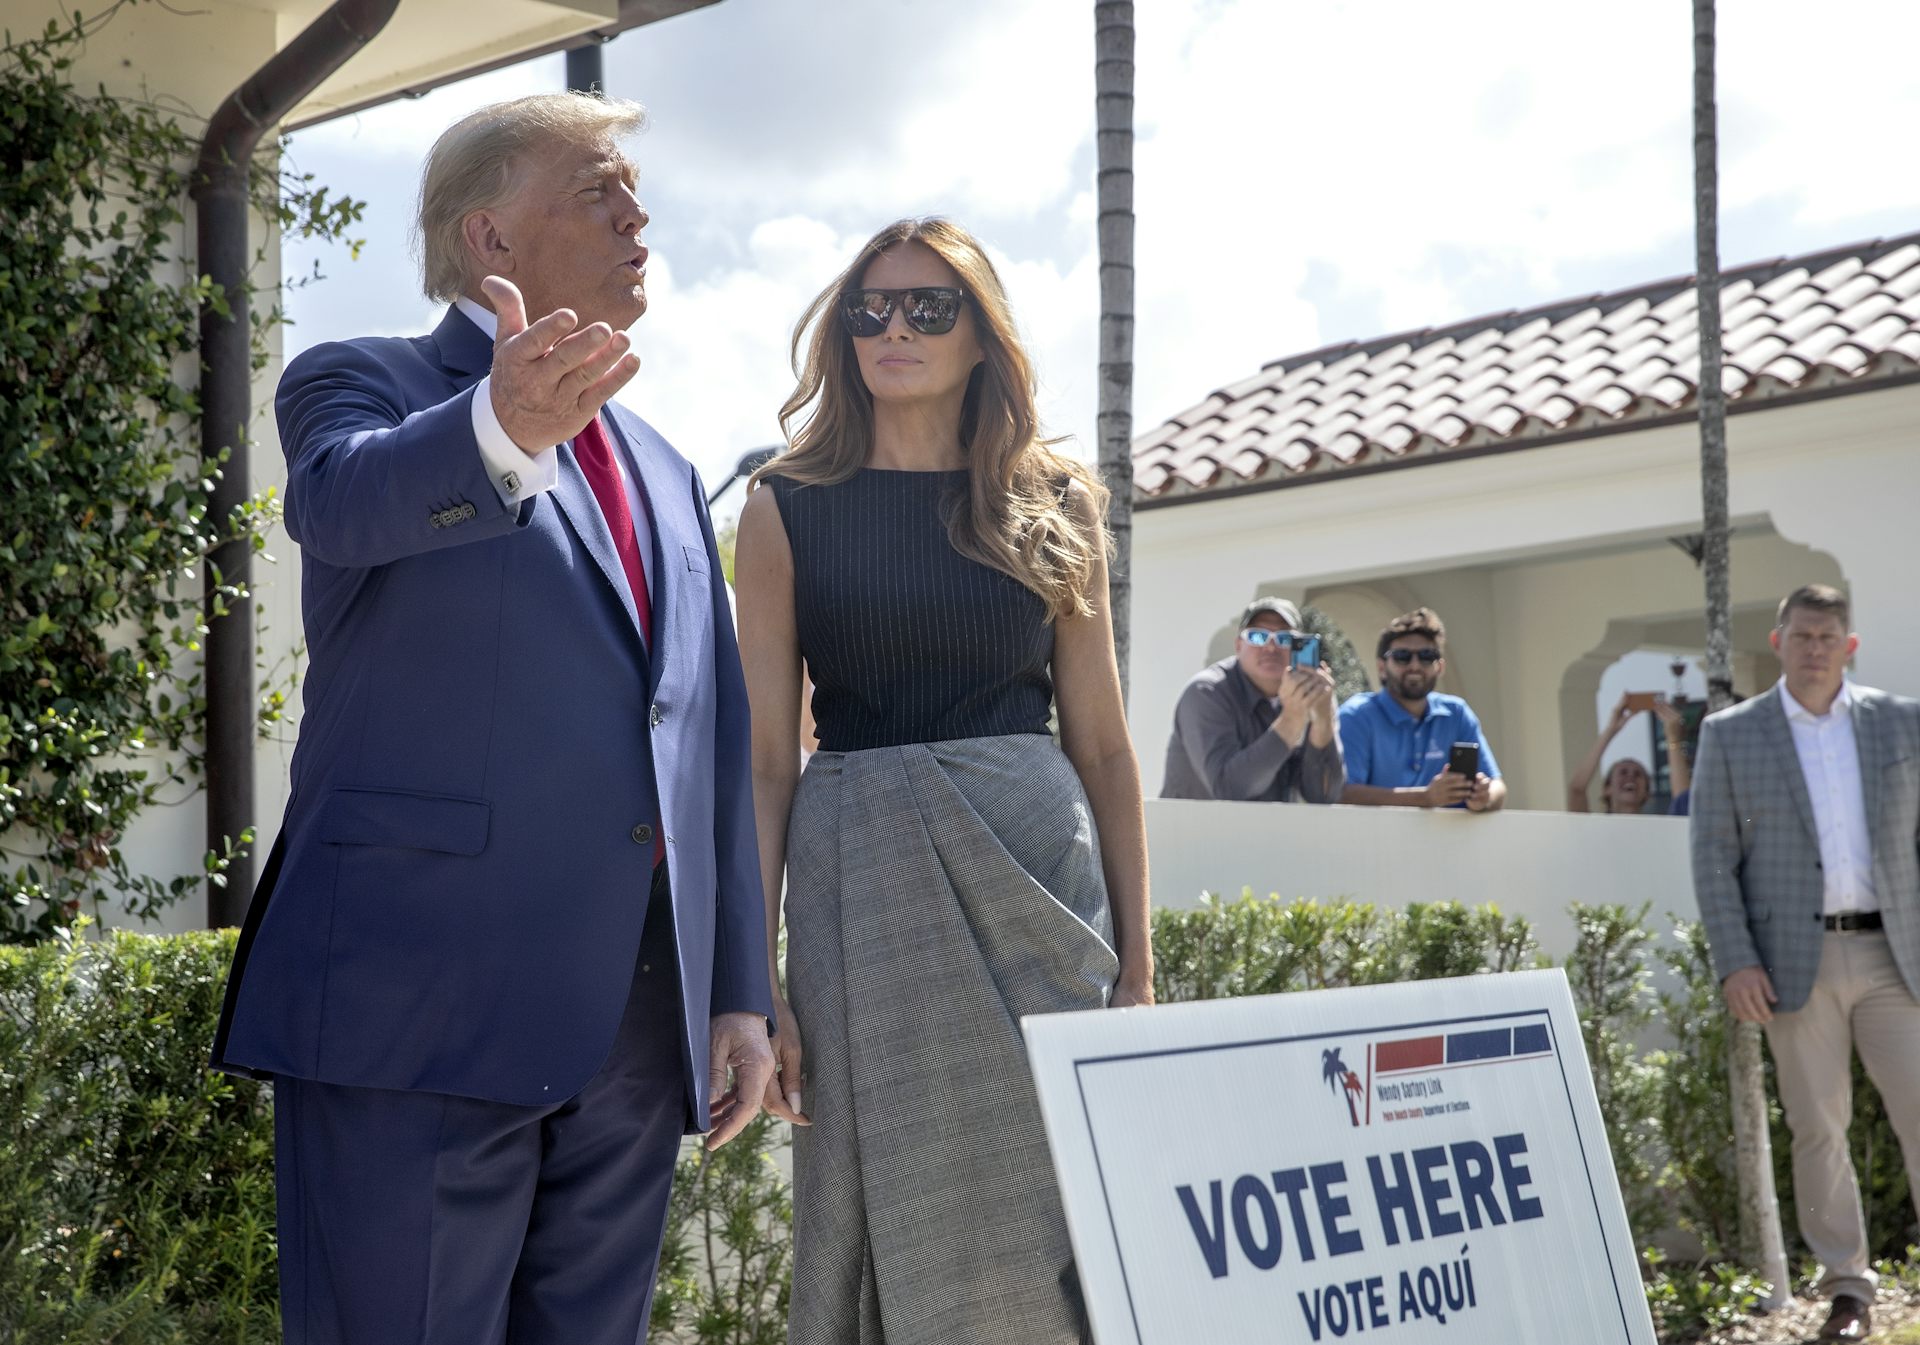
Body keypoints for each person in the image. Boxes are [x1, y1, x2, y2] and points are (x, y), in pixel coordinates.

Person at [209, 93, 775, 1345]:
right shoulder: (363, 381)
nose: (640, 217)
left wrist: (737, 988)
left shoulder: (674, 473)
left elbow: (710, 744)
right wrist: (499, 429)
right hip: (415, 1018)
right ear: (490, 239)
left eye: (637, 196)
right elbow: (344, 503)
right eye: (600, 192)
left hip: (632, 1039)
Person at [733, 217, 1154, 1345]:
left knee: (1058, 1200)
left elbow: (1106, 746)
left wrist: (1142, 969)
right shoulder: (782, 509)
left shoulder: (1058, 502)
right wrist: (758, 973)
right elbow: (769, 762)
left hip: (1043, 893)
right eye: (869, 308)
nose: (894, 328)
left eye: (929, 307)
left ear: (983, 338)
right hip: (859, 897)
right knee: (884, 1187)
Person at [1691, 584, 1920, 1343]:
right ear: (1778, 639)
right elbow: (1713, 857)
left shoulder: (1903, 722)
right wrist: (1735, 961)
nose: (1815, 647)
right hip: (1795, 959)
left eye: (1829, 636)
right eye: (1802, 634)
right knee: (1818, 1125)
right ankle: (1848, 1288)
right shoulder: (1731, 734)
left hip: (1897, 953)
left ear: (1849, 645)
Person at [1160, 597, 1344, 801]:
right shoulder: (1206, 692)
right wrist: (1291, 720)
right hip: (1195, 831)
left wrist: (1323, 722)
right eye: (1257, 636)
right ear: (1239, 645)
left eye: (1284, 638)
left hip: (1269, 832)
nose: (1271, 647)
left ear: (1298, 646)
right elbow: (1228, 789)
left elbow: (1324, 796)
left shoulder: (1314, 695)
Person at [1337, 607, 1506, 812]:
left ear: (1440, 667)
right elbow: (1344, 794)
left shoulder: (1456, 713)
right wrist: (1425, 798)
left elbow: (1498, 786)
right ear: (1382, 667)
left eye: (1427, 656)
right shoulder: (1356, 716)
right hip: (1377, 843)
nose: (1415, 666)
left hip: (1451, 842)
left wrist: (1484, 796)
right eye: (1402, 656)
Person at [1567, 692, 1693, 813]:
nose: (1631, 777)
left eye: (1638, 774)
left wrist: (1673, 738)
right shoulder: (1593, 826)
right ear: (1607, 789)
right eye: (1623, 772)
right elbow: (1577, 789)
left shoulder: (1657, 827)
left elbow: (1683, 803)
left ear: (1647, 794)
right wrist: (1611, 729)